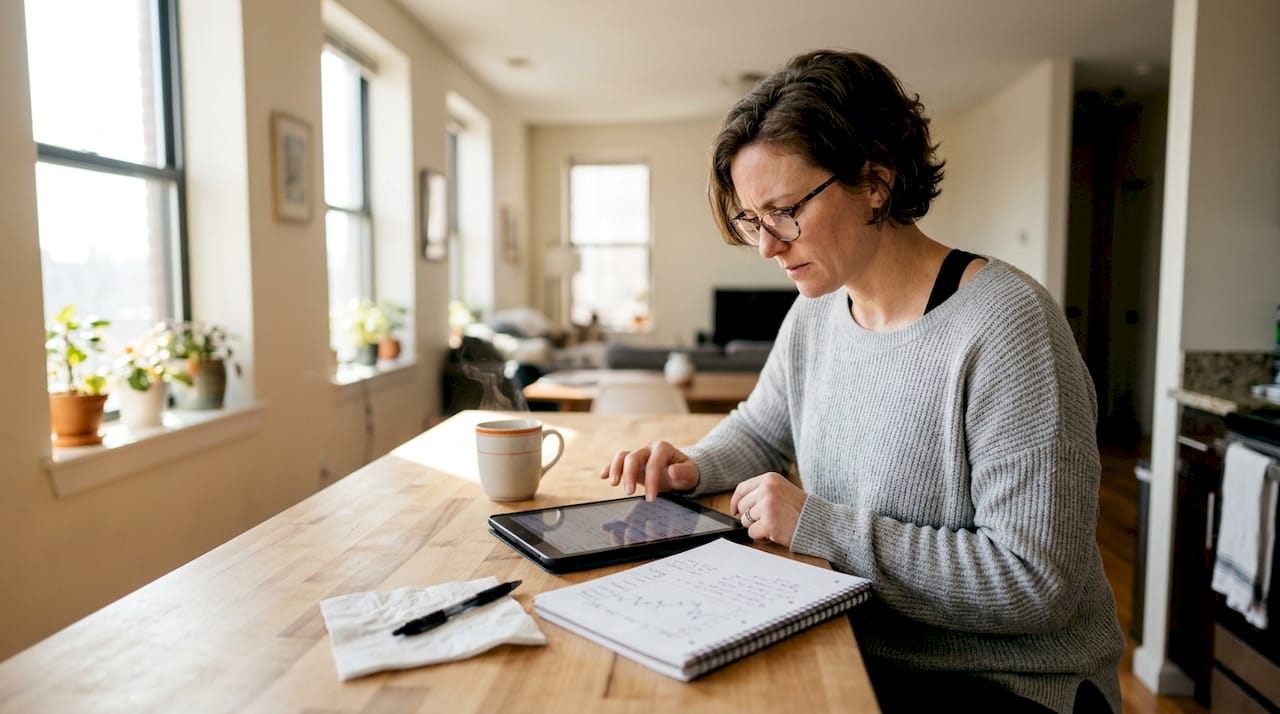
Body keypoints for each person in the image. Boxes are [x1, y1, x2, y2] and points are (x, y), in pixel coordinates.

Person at [600, 49, 1123, 713]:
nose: (766, 246)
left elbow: (1035, 582)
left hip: (1005, 684)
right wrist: (692, 467)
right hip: (857, 644)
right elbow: (763, 427)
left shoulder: (1008, 326)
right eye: (751, 220)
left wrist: (819, 526)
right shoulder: (816, 309)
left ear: (875, 181)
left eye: (785, 210)